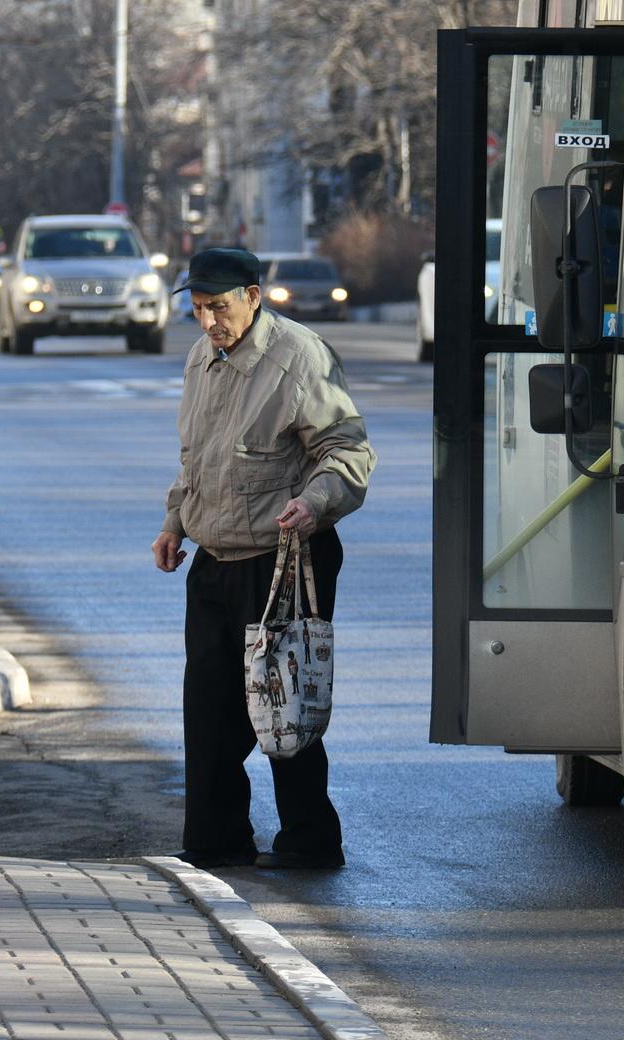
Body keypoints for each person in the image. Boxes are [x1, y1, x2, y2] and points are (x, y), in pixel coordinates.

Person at [151, 248, 375, 871]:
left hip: (284, 558)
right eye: (197, 309)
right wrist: (175, 523)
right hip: (215, 558)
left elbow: (348, 454)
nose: (207, 322)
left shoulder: (299, 358)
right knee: (209, 705)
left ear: (254, 295)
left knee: (283, 700)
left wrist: (314, 503)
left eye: (217, 307)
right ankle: (217, 840)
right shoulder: (204, 356)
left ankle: (309, 839)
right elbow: (196, 457)